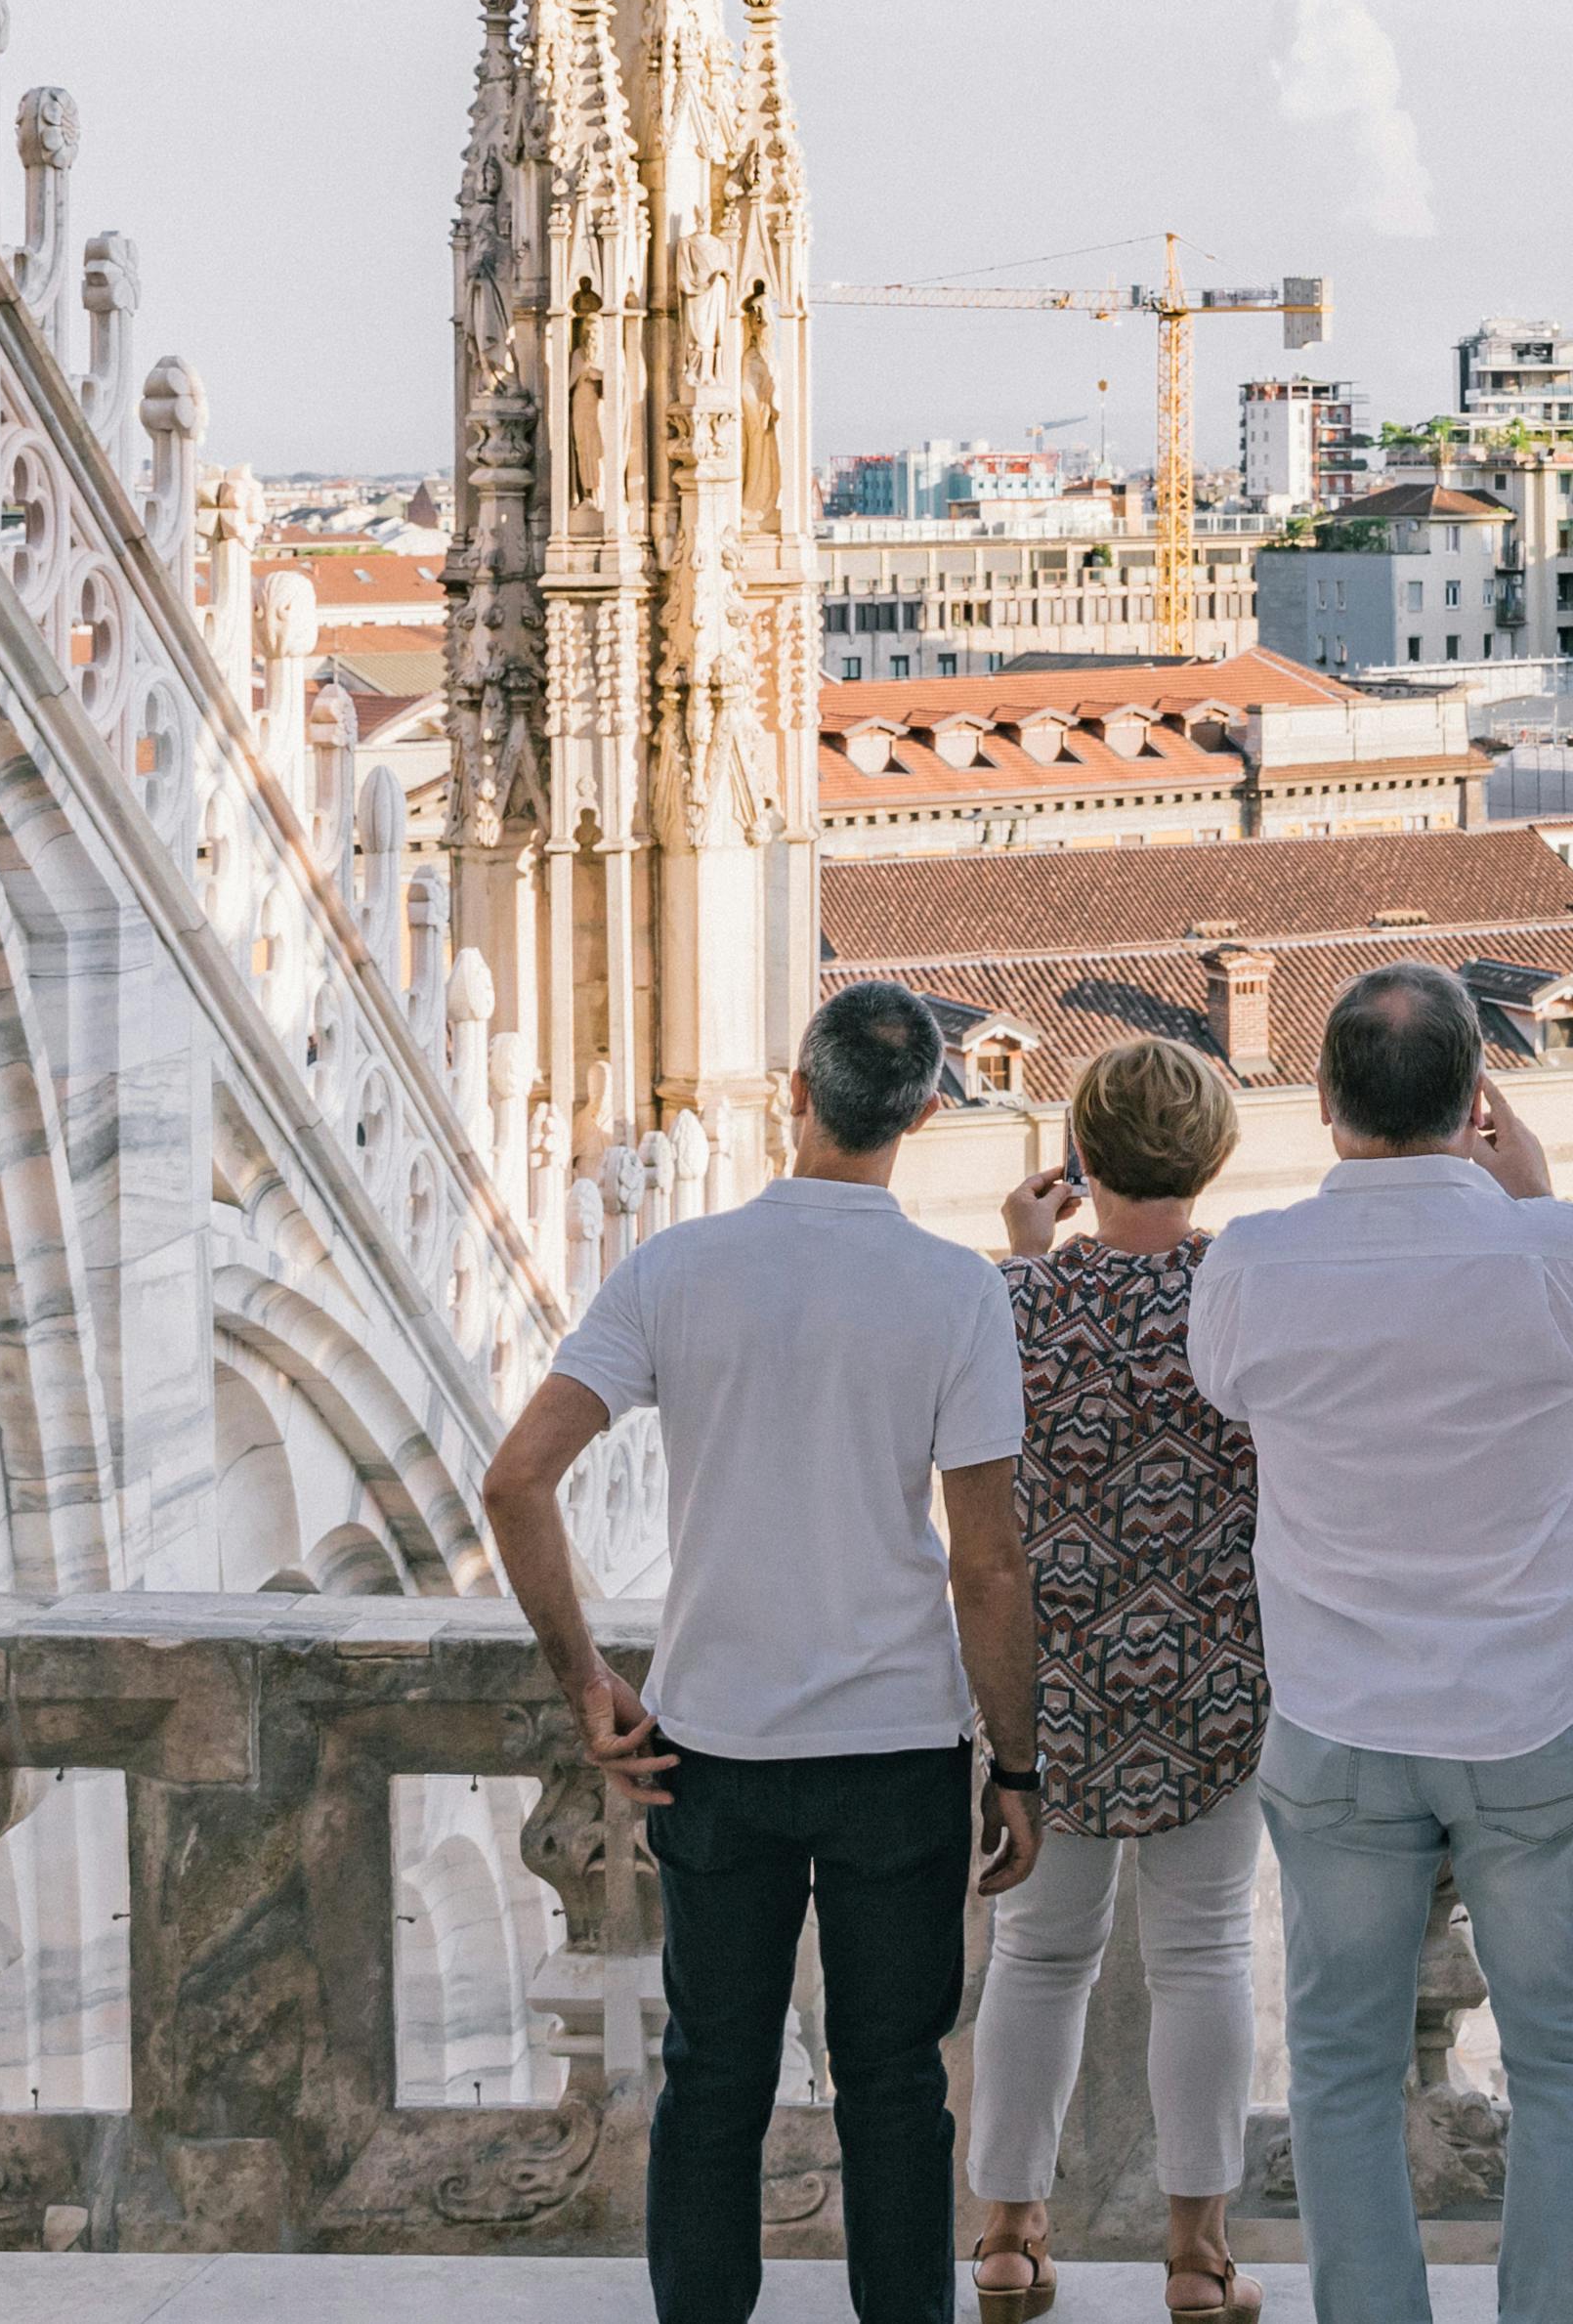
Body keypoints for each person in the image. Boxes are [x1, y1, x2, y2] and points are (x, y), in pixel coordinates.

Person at [482, 986, 1039, 2324]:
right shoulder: (959, 1292)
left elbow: (517, 1481)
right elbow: (986, 1565)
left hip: (713, 1742)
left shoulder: (677, 1266)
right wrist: (1016, 1763)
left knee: (715, 2072)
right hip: (898, 1746)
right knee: (897, 2084)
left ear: (798, 1093)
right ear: (922, 1114)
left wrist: (585, 1686)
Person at [1186, 961, 1573, 2324]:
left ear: (1322, 1100)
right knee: (1572, 2059)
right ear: (1481, 1097)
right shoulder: (1545, 1249)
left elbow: (1220, 1379)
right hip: (1529, 1712)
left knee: (1343, 2064)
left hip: (1340, 1717)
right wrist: (1535, 1193)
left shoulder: (1255, 1261)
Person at [965, 1040, 1272, 2324]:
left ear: (1083, 1157)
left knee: (1039, 1957)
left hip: (1055, 1682)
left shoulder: (1008, 1301)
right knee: (1204, 1955)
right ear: (1211, 1156)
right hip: (1212, 1673)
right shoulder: (1248, 1293)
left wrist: (1033, 1257)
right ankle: (1196, 2256)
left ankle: (1009, 2240)